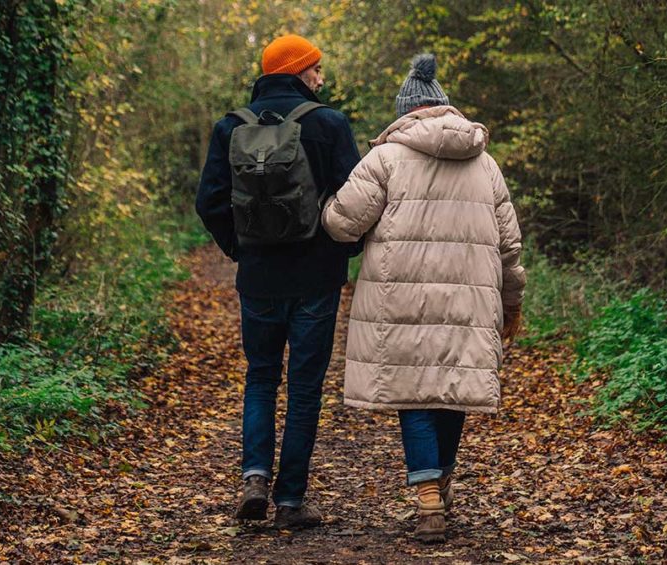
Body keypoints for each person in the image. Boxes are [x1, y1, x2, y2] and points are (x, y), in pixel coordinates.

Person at [321, 53, 525, 542]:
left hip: (401, 301)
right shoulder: (486, 163)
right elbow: (509, 244)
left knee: (413, 392)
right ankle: (442, 478)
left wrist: (327, 204)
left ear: (404, 114)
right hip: (469, 303)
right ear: (446, 109)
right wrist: (512, 301)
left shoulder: (385, 159)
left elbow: (342, 222)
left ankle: (428, 496)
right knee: (451, 388)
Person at [195, 34, 361, 529]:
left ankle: (253, 478)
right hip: (316, 277)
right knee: (305, 391)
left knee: (261, 378)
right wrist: (342, 251)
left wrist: (241, 249)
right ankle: (290, 502)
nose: (321, 78)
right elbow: (355, 199)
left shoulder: (231, 127)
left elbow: (209, 203)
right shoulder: (328, 124)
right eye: (316, 69)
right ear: (298, 71)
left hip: (260, 278)